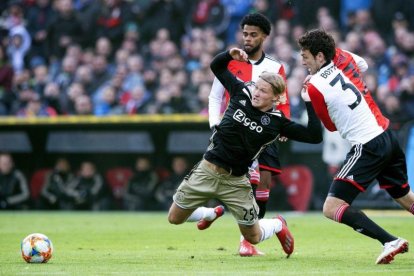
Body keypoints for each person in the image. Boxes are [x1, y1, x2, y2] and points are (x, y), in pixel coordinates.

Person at [168, 47, 323, 258]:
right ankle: (212, 213)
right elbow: (216, 67)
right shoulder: (241, 92)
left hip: (236, 181)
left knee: (253, 237)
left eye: (263, 91)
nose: (257, 93)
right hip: (207, 170)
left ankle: (277, 224)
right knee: (174, 218)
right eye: (257, 87)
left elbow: (315, 136)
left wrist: (308, 101)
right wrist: (228, 55)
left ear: (277, 97)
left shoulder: (278, 123)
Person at [298, 29, 414, 264]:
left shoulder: (314, 87)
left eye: (306, 56)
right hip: (387, 135)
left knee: (331, 207)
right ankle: (390, 241)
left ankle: (390, 241)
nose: (303, 61)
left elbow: (330, 127)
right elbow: (363, 66)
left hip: (367, 145)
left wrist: (308, 100)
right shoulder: (343, 56)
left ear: (320, 57)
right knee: (405, 198)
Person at [209, 12, 290, 256]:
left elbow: (283, 100)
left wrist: (283, 125)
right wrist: (215, 124)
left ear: (264, 36)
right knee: (238, 181)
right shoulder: (231, 62)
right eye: (245, 34)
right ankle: (215, 213)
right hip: (233, 131)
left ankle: (248, 241)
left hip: (264, 130)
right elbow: (215, 97)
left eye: (253, 34)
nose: (248, 38)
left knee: (263, 183)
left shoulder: (275, 67)